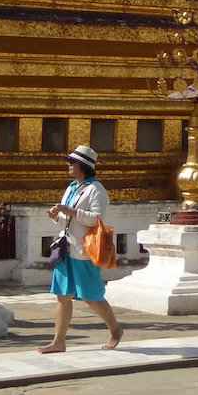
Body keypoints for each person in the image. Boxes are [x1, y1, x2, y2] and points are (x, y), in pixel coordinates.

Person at [38, 145, 123, 353]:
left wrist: (70, 210)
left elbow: (96, 219)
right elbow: (67, 221)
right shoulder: (72, 187)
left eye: (72, 163)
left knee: (91, 296)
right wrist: (57, 216)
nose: (68, 166)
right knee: (63, 295)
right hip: (65, 247)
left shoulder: (96, 190)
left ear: (82, 166)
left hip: (84, 251)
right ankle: (59, 341)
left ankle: (115, 329)